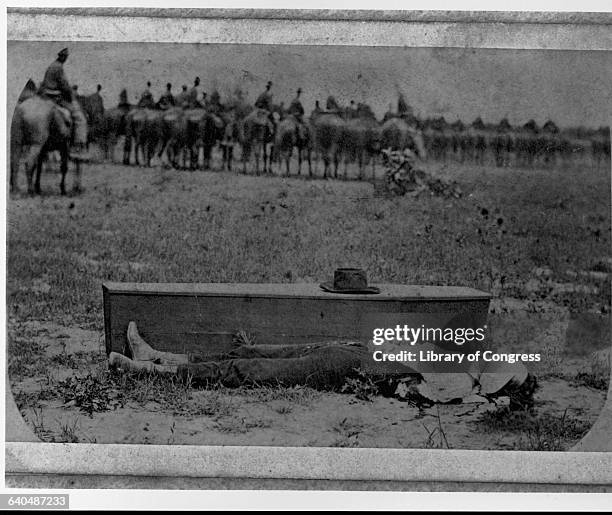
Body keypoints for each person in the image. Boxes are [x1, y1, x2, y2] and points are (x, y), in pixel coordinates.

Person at [109, 322, 366, 389]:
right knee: (251, 352)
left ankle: (149, 371)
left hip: (380, 366)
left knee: (247, 369)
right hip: (363, 350)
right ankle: (158, 356)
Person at [38, 48, 88, 158]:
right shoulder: (59, 67)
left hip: (44, 97)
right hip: (55, 98)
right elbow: (64, 86)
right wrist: (71, 95)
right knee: (80, 118)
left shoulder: (51, 66)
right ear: (63, 56)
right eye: (65, 56)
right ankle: (77, 147)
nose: (66, 58)